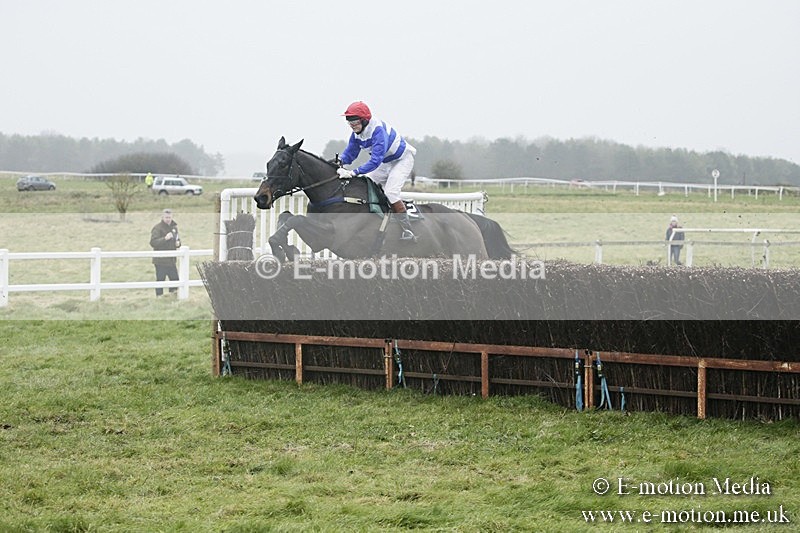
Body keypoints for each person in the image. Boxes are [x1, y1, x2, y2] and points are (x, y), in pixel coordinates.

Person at [336, 101, 418, 241]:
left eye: (354, 121)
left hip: (402, 160)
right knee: (367, 185)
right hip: (386, 162)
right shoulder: (357, 133)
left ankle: (408, 230)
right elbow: (350, 154)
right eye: (349, 122)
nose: (352, 125)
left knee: (391, 192)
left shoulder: (378, 130)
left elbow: (375, 161)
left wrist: (353, 172)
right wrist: (338, 162)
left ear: (364, 120)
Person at [150, 208, 181, 296]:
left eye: (169, 217)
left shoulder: (174, 228)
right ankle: (159, 297)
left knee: (175, 280)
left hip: (171, 260)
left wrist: (178, 243)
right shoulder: (157, 228)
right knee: (160, 280)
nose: (168, 219)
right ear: (162, 217)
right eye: (166, 217)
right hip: (160, 260)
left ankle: (173, 296)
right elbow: (153, 242)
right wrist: (165, 239)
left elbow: (177, 239)